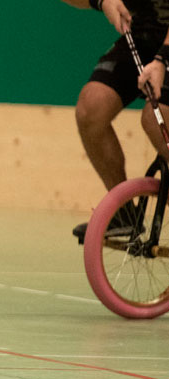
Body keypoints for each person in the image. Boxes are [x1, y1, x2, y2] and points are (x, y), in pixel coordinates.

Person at [66, 0, 169, 240]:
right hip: (146, 32)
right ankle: (123, 214)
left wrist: (163, 59)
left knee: (156, 118)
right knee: (92, 106)